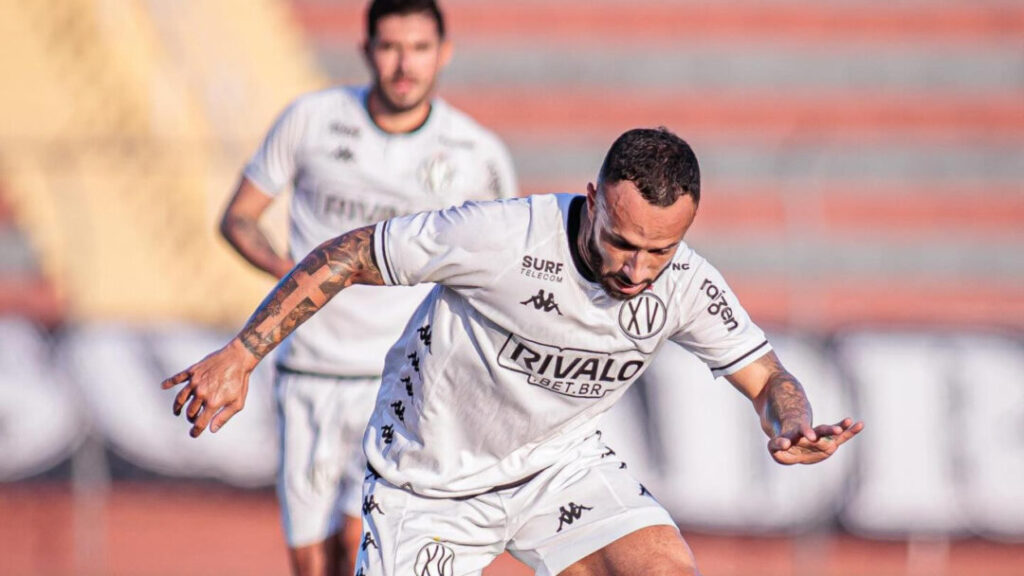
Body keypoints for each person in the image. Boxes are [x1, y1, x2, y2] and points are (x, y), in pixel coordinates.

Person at [168, 127, 862, 576]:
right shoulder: (498, 237)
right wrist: (242, 354)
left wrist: (791, 422)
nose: (638, 270)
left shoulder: (685, 284)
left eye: (660, 250)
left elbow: (768, 377)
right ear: (593, 201)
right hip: (426, 488)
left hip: (556, 470)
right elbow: (350, 254)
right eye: (622, 243)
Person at [216, 0, 517, 574]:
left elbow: (499, 268)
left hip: (402, 378)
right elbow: (239, 218)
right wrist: (292, 274)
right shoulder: (312, 120)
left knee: (366, 545)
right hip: (309, 372)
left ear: (443, 53)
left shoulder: (476, 154)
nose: (405, 64)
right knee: (311, 560)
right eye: (390, 47)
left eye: (419, 48)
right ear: (367, 50)